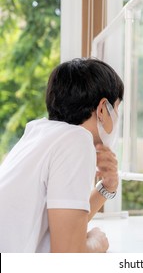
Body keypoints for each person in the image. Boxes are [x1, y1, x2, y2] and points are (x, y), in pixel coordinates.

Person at [0, 58, 124, 252]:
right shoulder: (77, 141)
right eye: (116, 108)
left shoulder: (40, 132)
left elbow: (62, 222)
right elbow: (66, 257)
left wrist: (107, 187)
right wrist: (96, 243)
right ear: (102, 109)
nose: (117, 117)